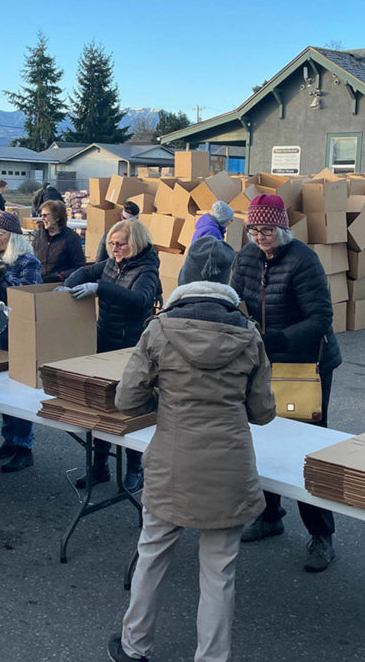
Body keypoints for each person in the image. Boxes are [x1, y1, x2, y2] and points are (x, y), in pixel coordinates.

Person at [108, 236, 275, 662]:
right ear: (227, 281)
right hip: (229, 465)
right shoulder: (249, 334)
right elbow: (262, 412)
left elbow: (126, 400)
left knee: (153, 552)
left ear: (184, 278)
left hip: (172, 461)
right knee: (219, 570)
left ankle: (135, 645)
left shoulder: (159, 330)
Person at [229, 193, 341, 573]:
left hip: (305, 363)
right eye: (254, 229)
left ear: (282, 228)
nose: (260, 237)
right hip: (261, 361)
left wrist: (274, 338)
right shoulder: (245, 257)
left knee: (305, 449)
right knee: (262, 438)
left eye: (267, 229)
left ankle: (321, 535)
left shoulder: (303, 260)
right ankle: (270, 515)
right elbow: (235, 301)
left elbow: (321, 319)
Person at [63, 218, 161, 491]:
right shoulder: (110, 263)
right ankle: (99, 466)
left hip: (130, 348)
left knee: (128, 408)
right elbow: (84, 273)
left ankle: (134, 468)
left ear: (136, 243)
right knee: (100, 406)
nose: (115, 249)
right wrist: (65, 288)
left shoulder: (147, 270)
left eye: (121, 244)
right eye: (112, 244)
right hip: (104, 341)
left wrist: (100, 288)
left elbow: (140, 300)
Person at [0, 212, 43, 473]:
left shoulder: (29, 261)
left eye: (1, 235)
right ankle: (9, 440)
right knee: (5, 387)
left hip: (21, 330)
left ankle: (23, 447)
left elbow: (26, 294)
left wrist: (5, 273)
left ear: (14, 238)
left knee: (20, 388)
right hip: (0, 329)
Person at [32, 199, 84, 284]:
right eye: (41, 215)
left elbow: (79, 267)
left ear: (57, 218)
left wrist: (60, 276)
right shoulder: (39, 236)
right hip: (39, 283)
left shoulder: (71, 238)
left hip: (60, 285)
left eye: (45, 215)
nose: (42, 218)